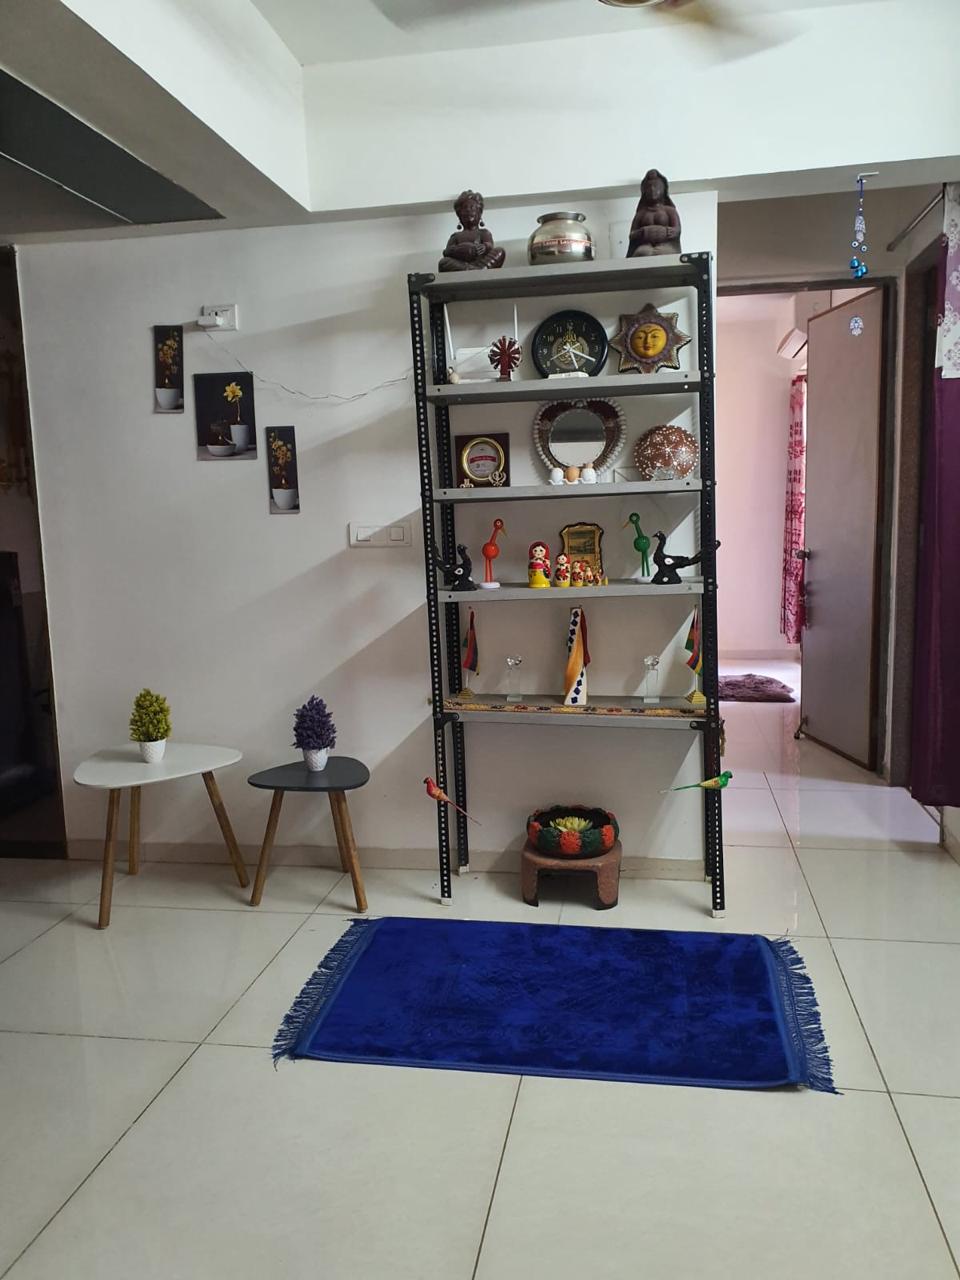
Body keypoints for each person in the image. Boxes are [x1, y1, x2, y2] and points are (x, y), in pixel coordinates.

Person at [439, 191, 506, 272]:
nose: (468, 210)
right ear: (459, 215)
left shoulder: (484, 232)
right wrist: (458, 250)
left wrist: (484, 246)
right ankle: (474, 270)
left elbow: (489, 245)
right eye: (465, 208)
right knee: (443, 262)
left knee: (500, 251)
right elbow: (446, 252)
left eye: (472, 208)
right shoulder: (455, 236)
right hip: (461, 264)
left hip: (481, 262)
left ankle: (479, 269)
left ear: (479, 213)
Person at [627, 170, 682, 258]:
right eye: (649, 187)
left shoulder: (670, 211)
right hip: (645, 245)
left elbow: (677, 230)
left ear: (663, 190)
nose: (652, 190)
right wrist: (642, 232)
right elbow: (632, 234)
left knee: (663, 252)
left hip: (665, 245)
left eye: (656, 187)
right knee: (643, 252)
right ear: (644, 191)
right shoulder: (641, 213)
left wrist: (667, 232)